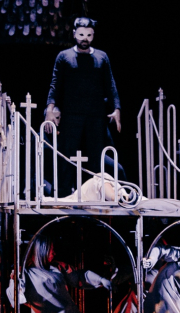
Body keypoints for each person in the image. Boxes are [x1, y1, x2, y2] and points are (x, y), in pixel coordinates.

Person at [44, 17, 121, 196]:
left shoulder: (102, 57)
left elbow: (110, 85)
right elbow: (55, 84)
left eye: (88, 35)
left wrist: (117, 109)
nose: (84, 39)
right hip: (72, 114)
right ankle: (63, 195)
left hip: (96, 115)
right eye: (81, 35)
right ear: (74, 34)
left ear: (93, 35)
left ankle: (96, 195)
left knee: (96, 157)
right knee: (66, 156)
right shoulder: (64, 56)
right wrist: (50, 109)